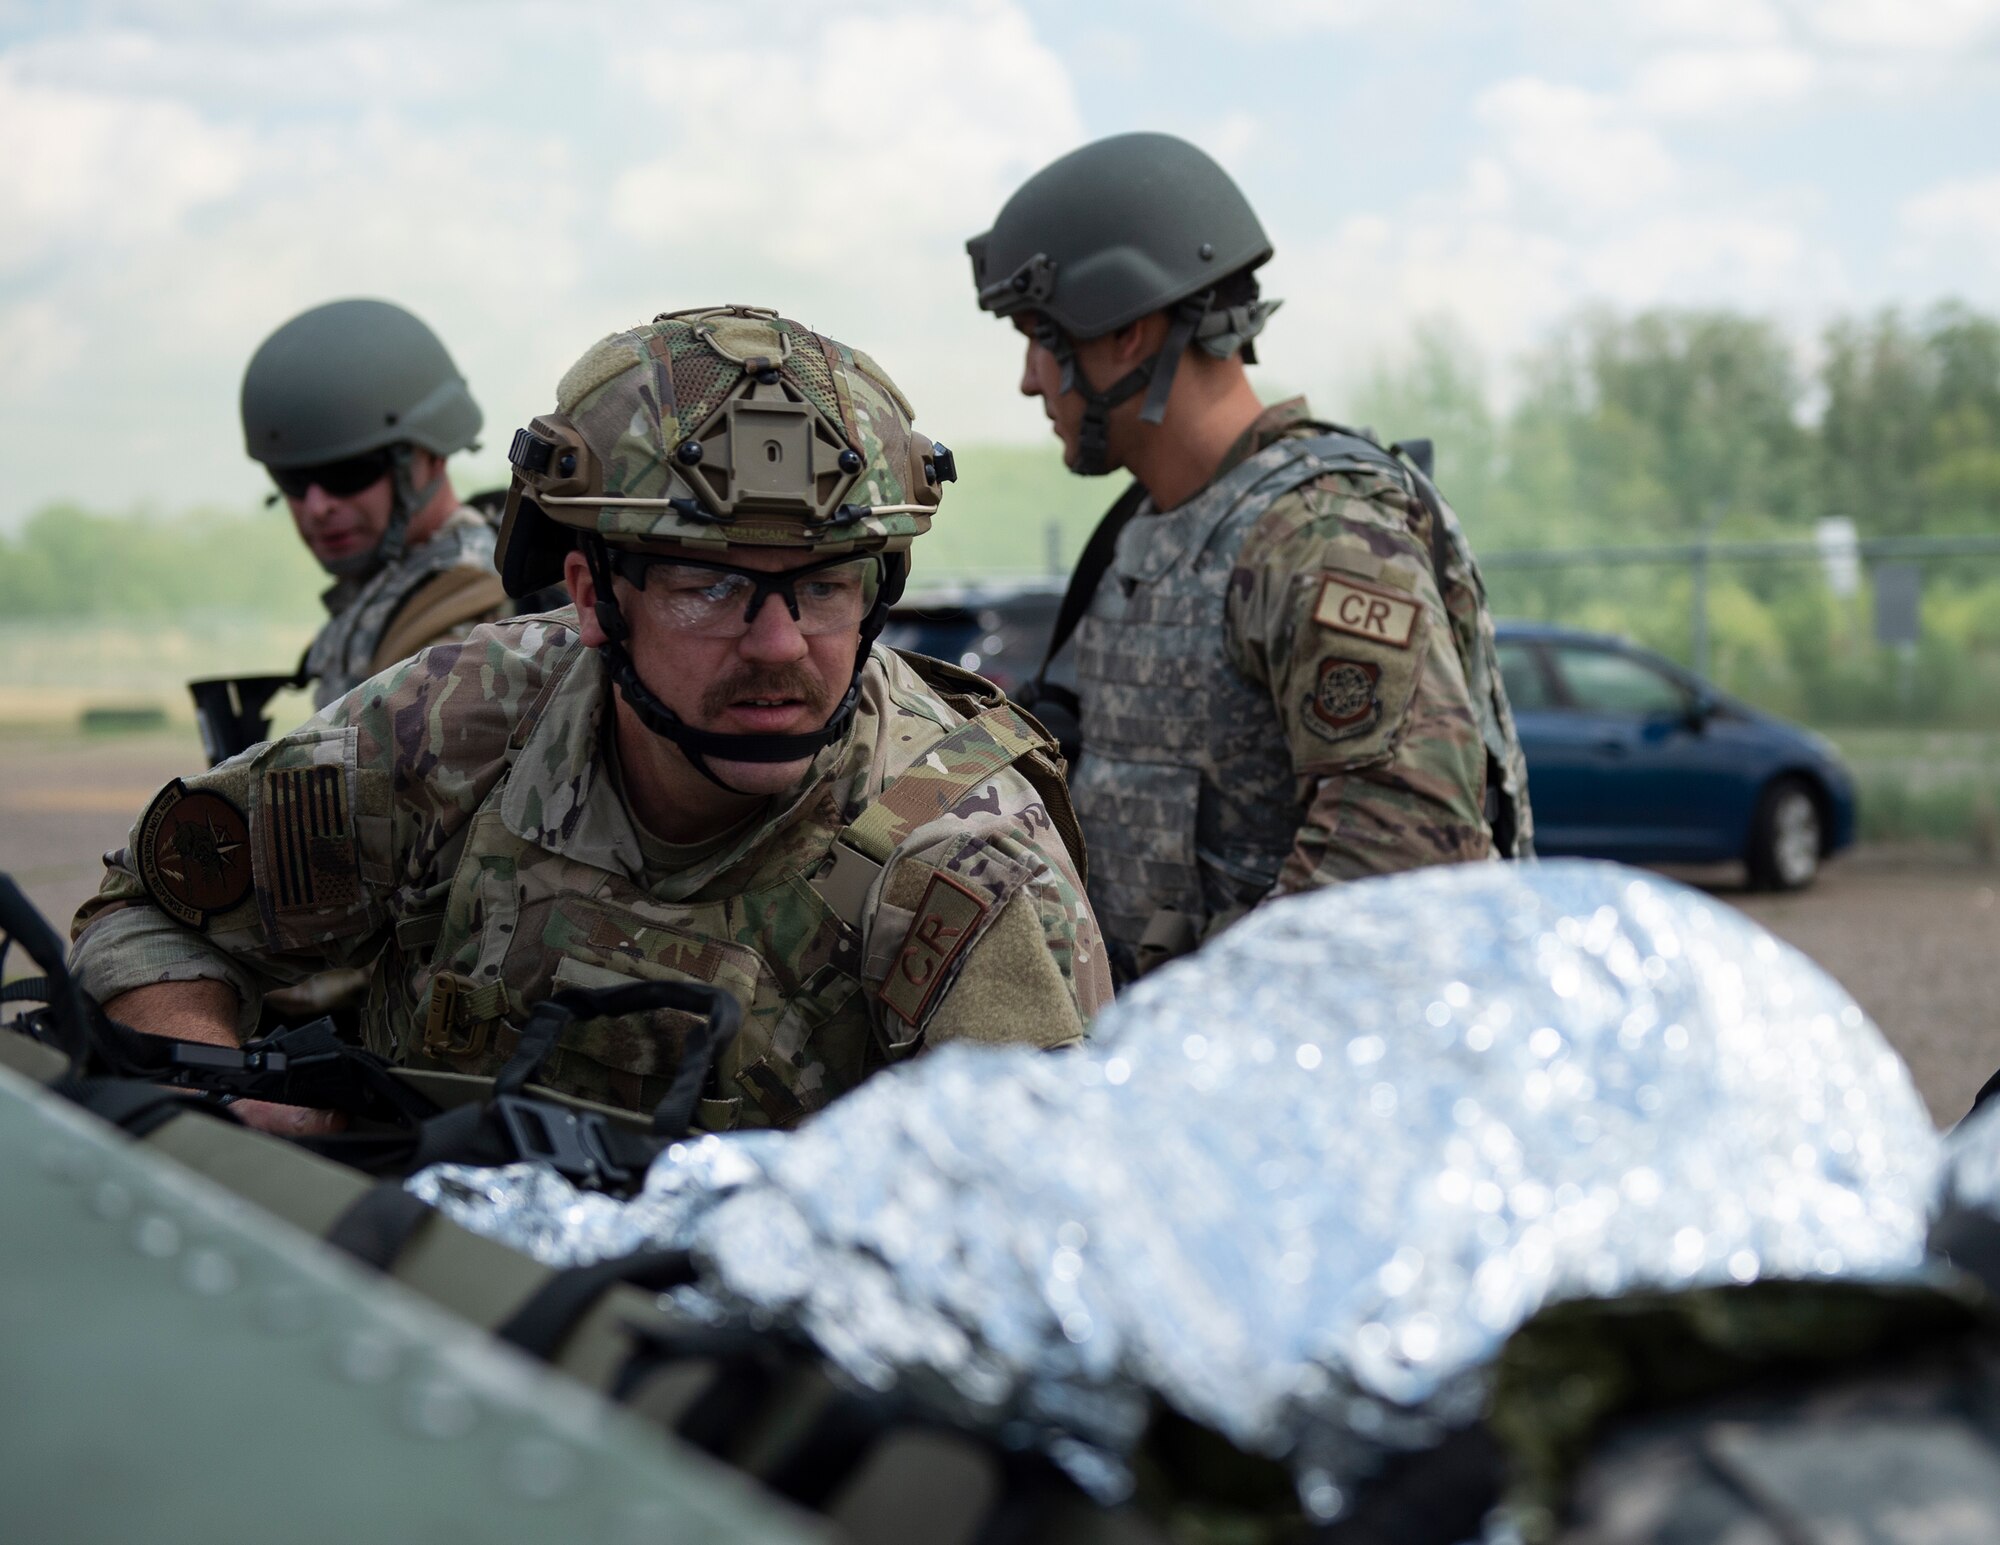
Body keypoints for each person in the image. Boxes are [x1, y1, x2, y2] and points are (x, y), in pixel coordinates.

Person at [72, 304, 1110, 1134]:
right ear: (589, 593)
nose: (778, 646)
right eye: (707, 586)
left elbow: (1049, 1243)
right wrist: (226, 1102)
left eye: (826, 586)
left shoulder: (962, 862)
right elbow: (152, 906)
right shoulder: (462, 726)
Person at [967, 132, 1533, 983]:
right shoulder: (1152, 528)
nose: (1029, 379)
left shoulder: (1321, 538)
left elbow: (1403, 859)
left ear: (1129, 333)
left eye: (1040, 339)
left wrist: (1190, 1032)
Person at [242, 297, 513, 710]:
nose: (317, 506)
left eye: (348, 473)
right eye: (292, 479)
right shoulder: (395, 585)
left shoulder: (467, 614)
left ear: (431, 455)